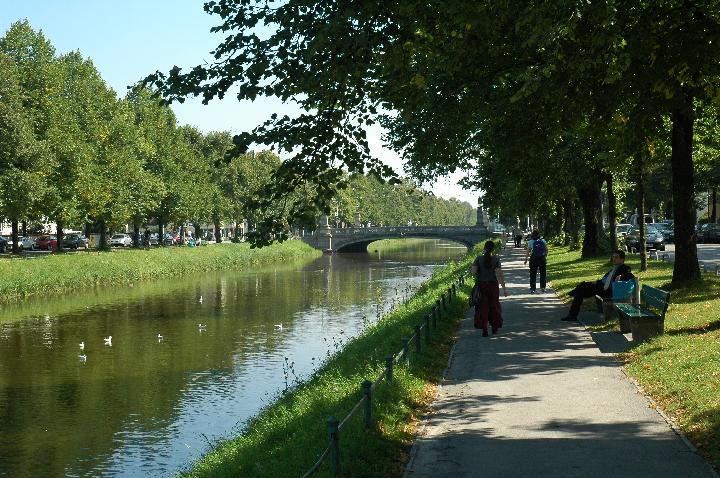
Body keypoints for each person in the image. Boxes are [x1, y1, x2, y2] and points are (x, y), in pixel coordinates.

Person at [561, 250, 634, 321]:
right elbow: (606, 279)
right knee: (580, 290)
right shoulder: (614, 268)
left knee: (581, 287)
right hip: (600, 285)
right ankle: (572, 314)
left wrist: (621, 276)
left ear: (622, 259)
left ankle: (572, 310)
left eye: (616, 257)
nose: (614, 259)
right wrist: (596, 282)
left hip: (606, 289)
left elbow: (630, 275)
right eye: (613, 257)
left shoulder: (624, 268)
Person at [471, 240, 508, 336]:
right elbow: (499, 275)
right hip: (493, 286)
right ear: (493, 249)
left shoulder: (478, 259)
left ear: (484, 248)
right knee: (494, 306)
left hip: (481, 286)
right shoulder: (496, 259)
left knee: (482, 307)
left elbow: (473, 272)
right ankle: (495, 327)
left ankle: (484, 329)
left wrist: (477, 268)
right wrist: (504, 289)